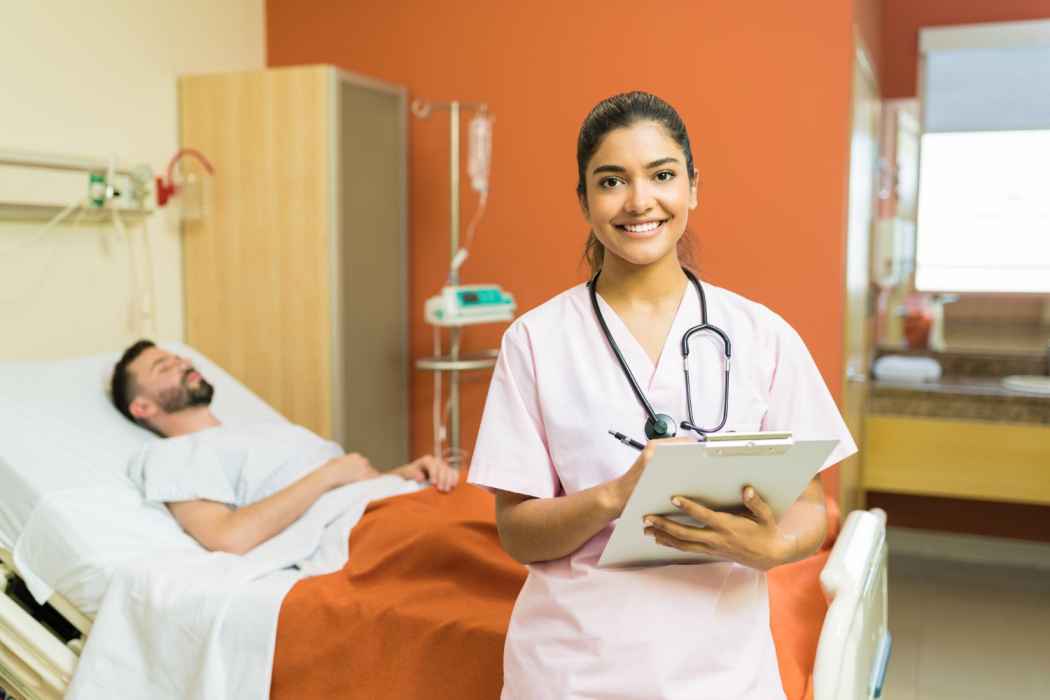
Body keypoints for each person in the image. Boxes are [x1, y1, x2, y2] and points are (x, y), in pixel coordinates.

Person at [467, 92, 856, 699]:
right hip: (574, 669)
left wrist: (774, 545)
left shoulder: (762, 334)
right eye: (611, 181)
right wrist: (616, 497)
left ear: (693, 187)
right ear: (584, 200)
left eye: (662, 175)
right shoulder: (535, 342)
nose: (639, 201)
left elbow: (811, 502)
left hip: (724, 672)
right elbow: (517, 533)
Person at [110, 339, 458, 555]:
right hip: (366, 529)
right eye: (164, 367)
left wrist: (404, 473)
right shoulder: (175, 455)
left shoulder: (261, 431)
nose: (183, 364)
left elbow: (344, 481)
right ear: (143, 407)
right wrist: (330, 474)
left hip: (399, 498)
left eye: (179, 358)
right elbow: (228, 537)